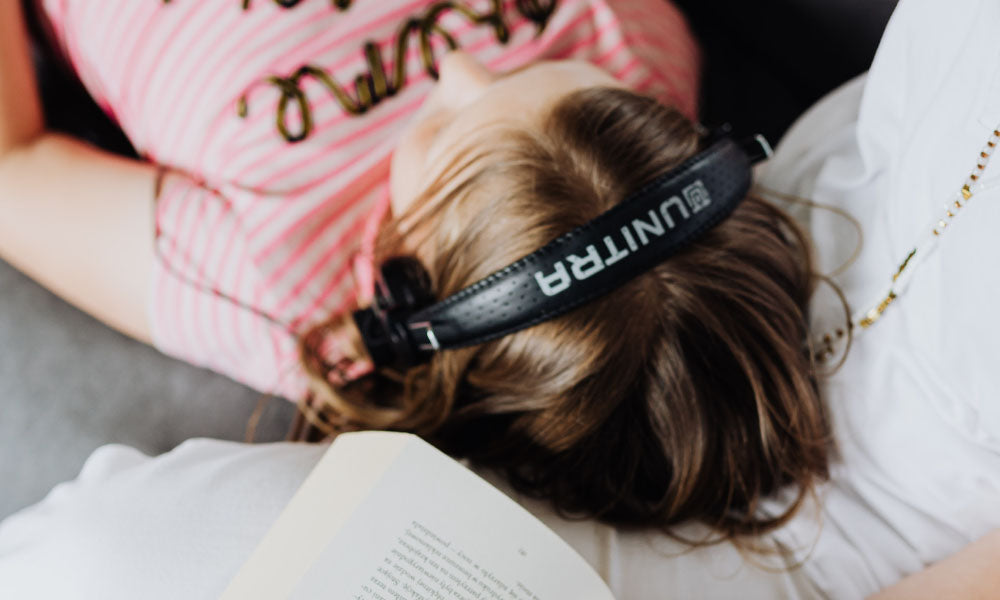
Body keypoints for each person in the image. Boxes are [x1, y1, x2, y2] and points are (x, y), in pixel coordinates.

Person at [0, 0, 831, 543]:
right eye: (532, 66)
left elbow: (14, 166)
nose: (461, 69)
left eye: (437, 132)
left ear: (411, 300)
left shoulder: (285, 278)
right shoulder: (630, 45)